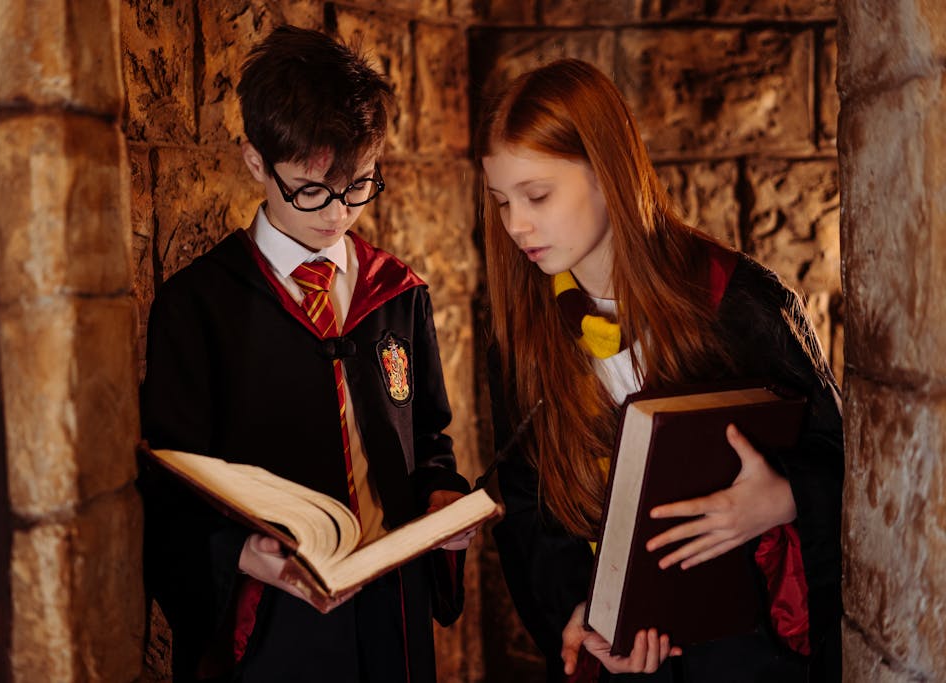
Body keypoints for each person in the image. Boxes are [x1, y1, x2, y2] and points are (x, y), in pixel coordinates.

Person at [478, 59, 843, 682]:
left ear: (608, 174)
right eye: (502, 201)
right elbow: (528, 507)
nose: (515, 224)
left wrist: (783, 498)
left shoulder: (737, 301)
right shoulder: (523, 339)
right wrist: (582, 616)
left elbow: (843, 456)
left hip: (749, 652)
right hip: (628, 661)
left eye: (537, 196)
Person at [139, 25, 475, 683]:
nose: (337, 214)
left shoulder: (396, 292)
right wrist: (241, 554)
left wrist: (443, 496)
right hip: (272, 619)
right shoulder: (198, 306)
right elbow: (170, 485)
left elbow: (430, 439)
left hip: (391, 608)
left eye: (360, 185)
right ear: (256, 162)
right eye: (312, 189)